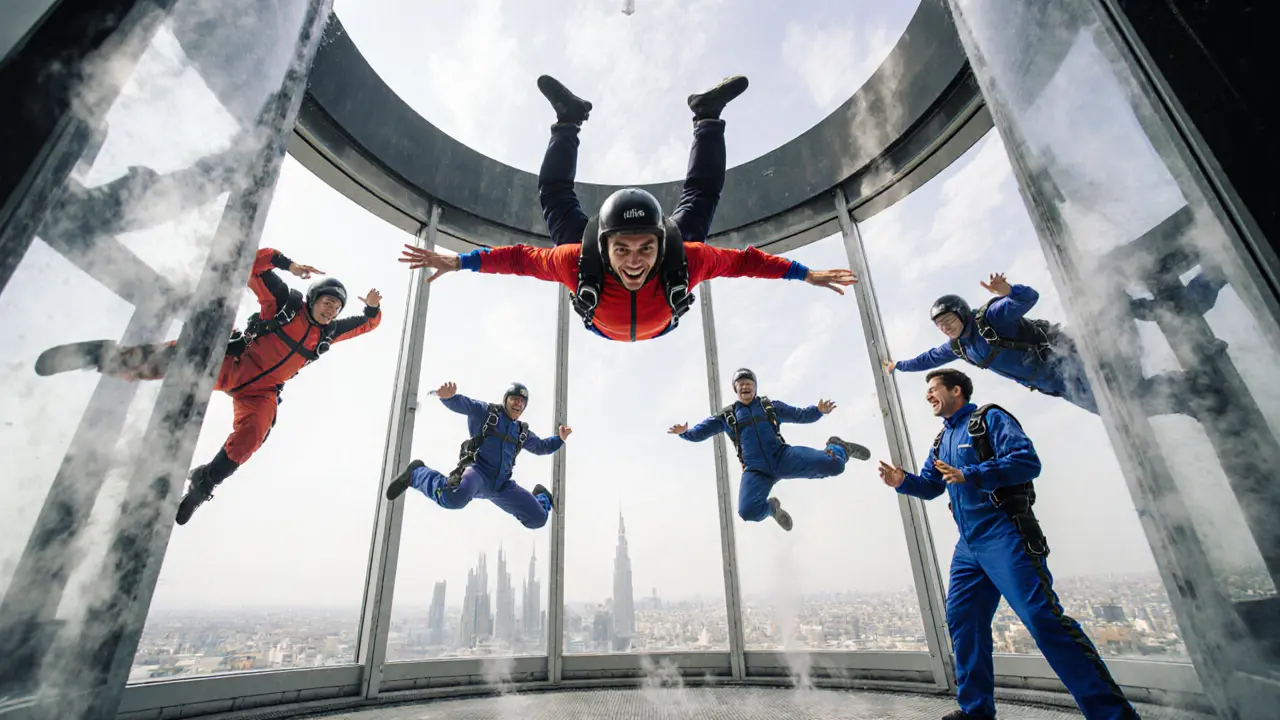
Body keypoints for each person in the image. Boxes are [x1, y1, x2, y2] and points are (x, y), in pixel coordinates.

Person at [399, 75, 857, 342]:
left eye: (644, 248)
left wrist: (803, 274)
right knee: (557, 197)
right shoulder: (579, 259)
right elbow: (519, 259)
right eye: (623, 250)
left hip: (636, 304)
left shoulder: (685, 256)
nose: (635, 261)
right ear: (604, 243)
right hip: (608, 286)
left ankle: (688, 116)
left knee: (696, 201)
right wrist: (459, 261)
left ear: (661, 241)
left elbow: (746, 263)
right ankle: (691, 120)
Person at [33, 248, 382, 525]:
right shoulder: (286, 305)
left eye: (336, 307)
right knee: (172, 363)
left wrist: (372, 309)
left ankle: (204, 484)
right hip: (234, 362)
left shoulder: (329, 333)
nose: (331, 310)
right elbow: (254, 265)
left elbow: (368, 325)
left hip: (261, 391)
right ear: (313, 297)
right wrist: (289, 265)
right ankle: (102, 356)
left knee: (253, 435)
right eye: (326, 302)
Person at [878, 368, 1138, 720]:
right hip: (969, 546)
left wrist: (973, 474)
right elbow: (930, 485)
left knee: (1042, 619)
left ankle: (1113, 716)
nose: (928, 396)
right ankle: (976, 712)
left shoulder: (989, 419)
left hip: (1006, 534)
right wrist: (901, 481)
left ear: (957, 390)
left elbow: (1027, 461)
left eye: (934, 388)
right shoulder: (942, 441)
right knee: (963, 621)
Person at [882, 272, 1222, 416]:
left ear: (961, 312)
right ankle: (1190, 390)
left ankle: (1208, 282)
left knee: (1124, 398)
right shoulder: (958, 347)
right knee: (1123, 407)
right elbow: (927, 358)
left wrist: (1008, 291)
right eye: (940, 326)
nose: (945, 328)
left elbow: (1029, 299)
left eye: (948, 320)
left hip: (1070, 354)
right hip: (1056, 382)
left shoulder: (990, 319)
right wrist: (898, 366)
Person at [668, 368, 870, 531]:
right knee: (747, 511)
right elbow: (701, 432)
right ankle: (772, 508)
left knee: (835, 466)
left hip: (783, 457)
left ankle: (839, 447)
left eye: (749, 383)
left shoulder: (769, 407)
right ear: (735, 389)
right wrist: (685, 432)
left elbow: (799, 415)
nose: (745, 387)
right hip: (756, 471)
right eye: (741, 384)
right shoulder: (727, 417)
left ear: (755, 388)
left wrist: (818, 411)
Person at [385, 381, 569, 529]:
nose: (518, 404)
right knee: (454, 498)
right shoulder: (488, 413)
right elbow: (467, 405)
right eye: (514, 399)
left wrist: (559, 439)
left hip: (502, 486)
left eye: (522, 402)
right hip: (479, 474)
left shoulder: (521, 431)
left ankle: (542, 497)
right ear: (506, 400)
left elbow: (541, 447)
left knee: (538, 519)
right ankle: (416, 474)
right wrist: (449, 398)